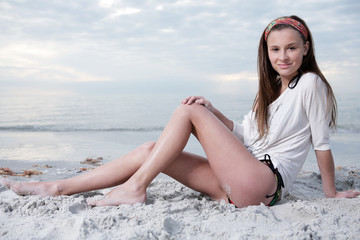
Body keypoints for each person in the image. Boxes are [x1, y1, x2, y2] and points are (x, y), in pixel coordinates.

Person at [2, 15, 359, 208]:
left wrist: (330, 192)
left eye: (292, 48)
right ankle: (57, 187)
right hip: (234, 184)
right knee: (149, 151)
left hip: (263, 184)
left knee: (186, 113)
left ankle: (135, 188)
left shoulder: (311, 84)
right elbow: (247, 136)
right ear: (266, 54)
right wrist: (213, 110)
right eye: (275, 49)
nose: (283, 56)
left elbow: (321, 144)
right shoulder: (269, 94)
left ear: (306, 48)